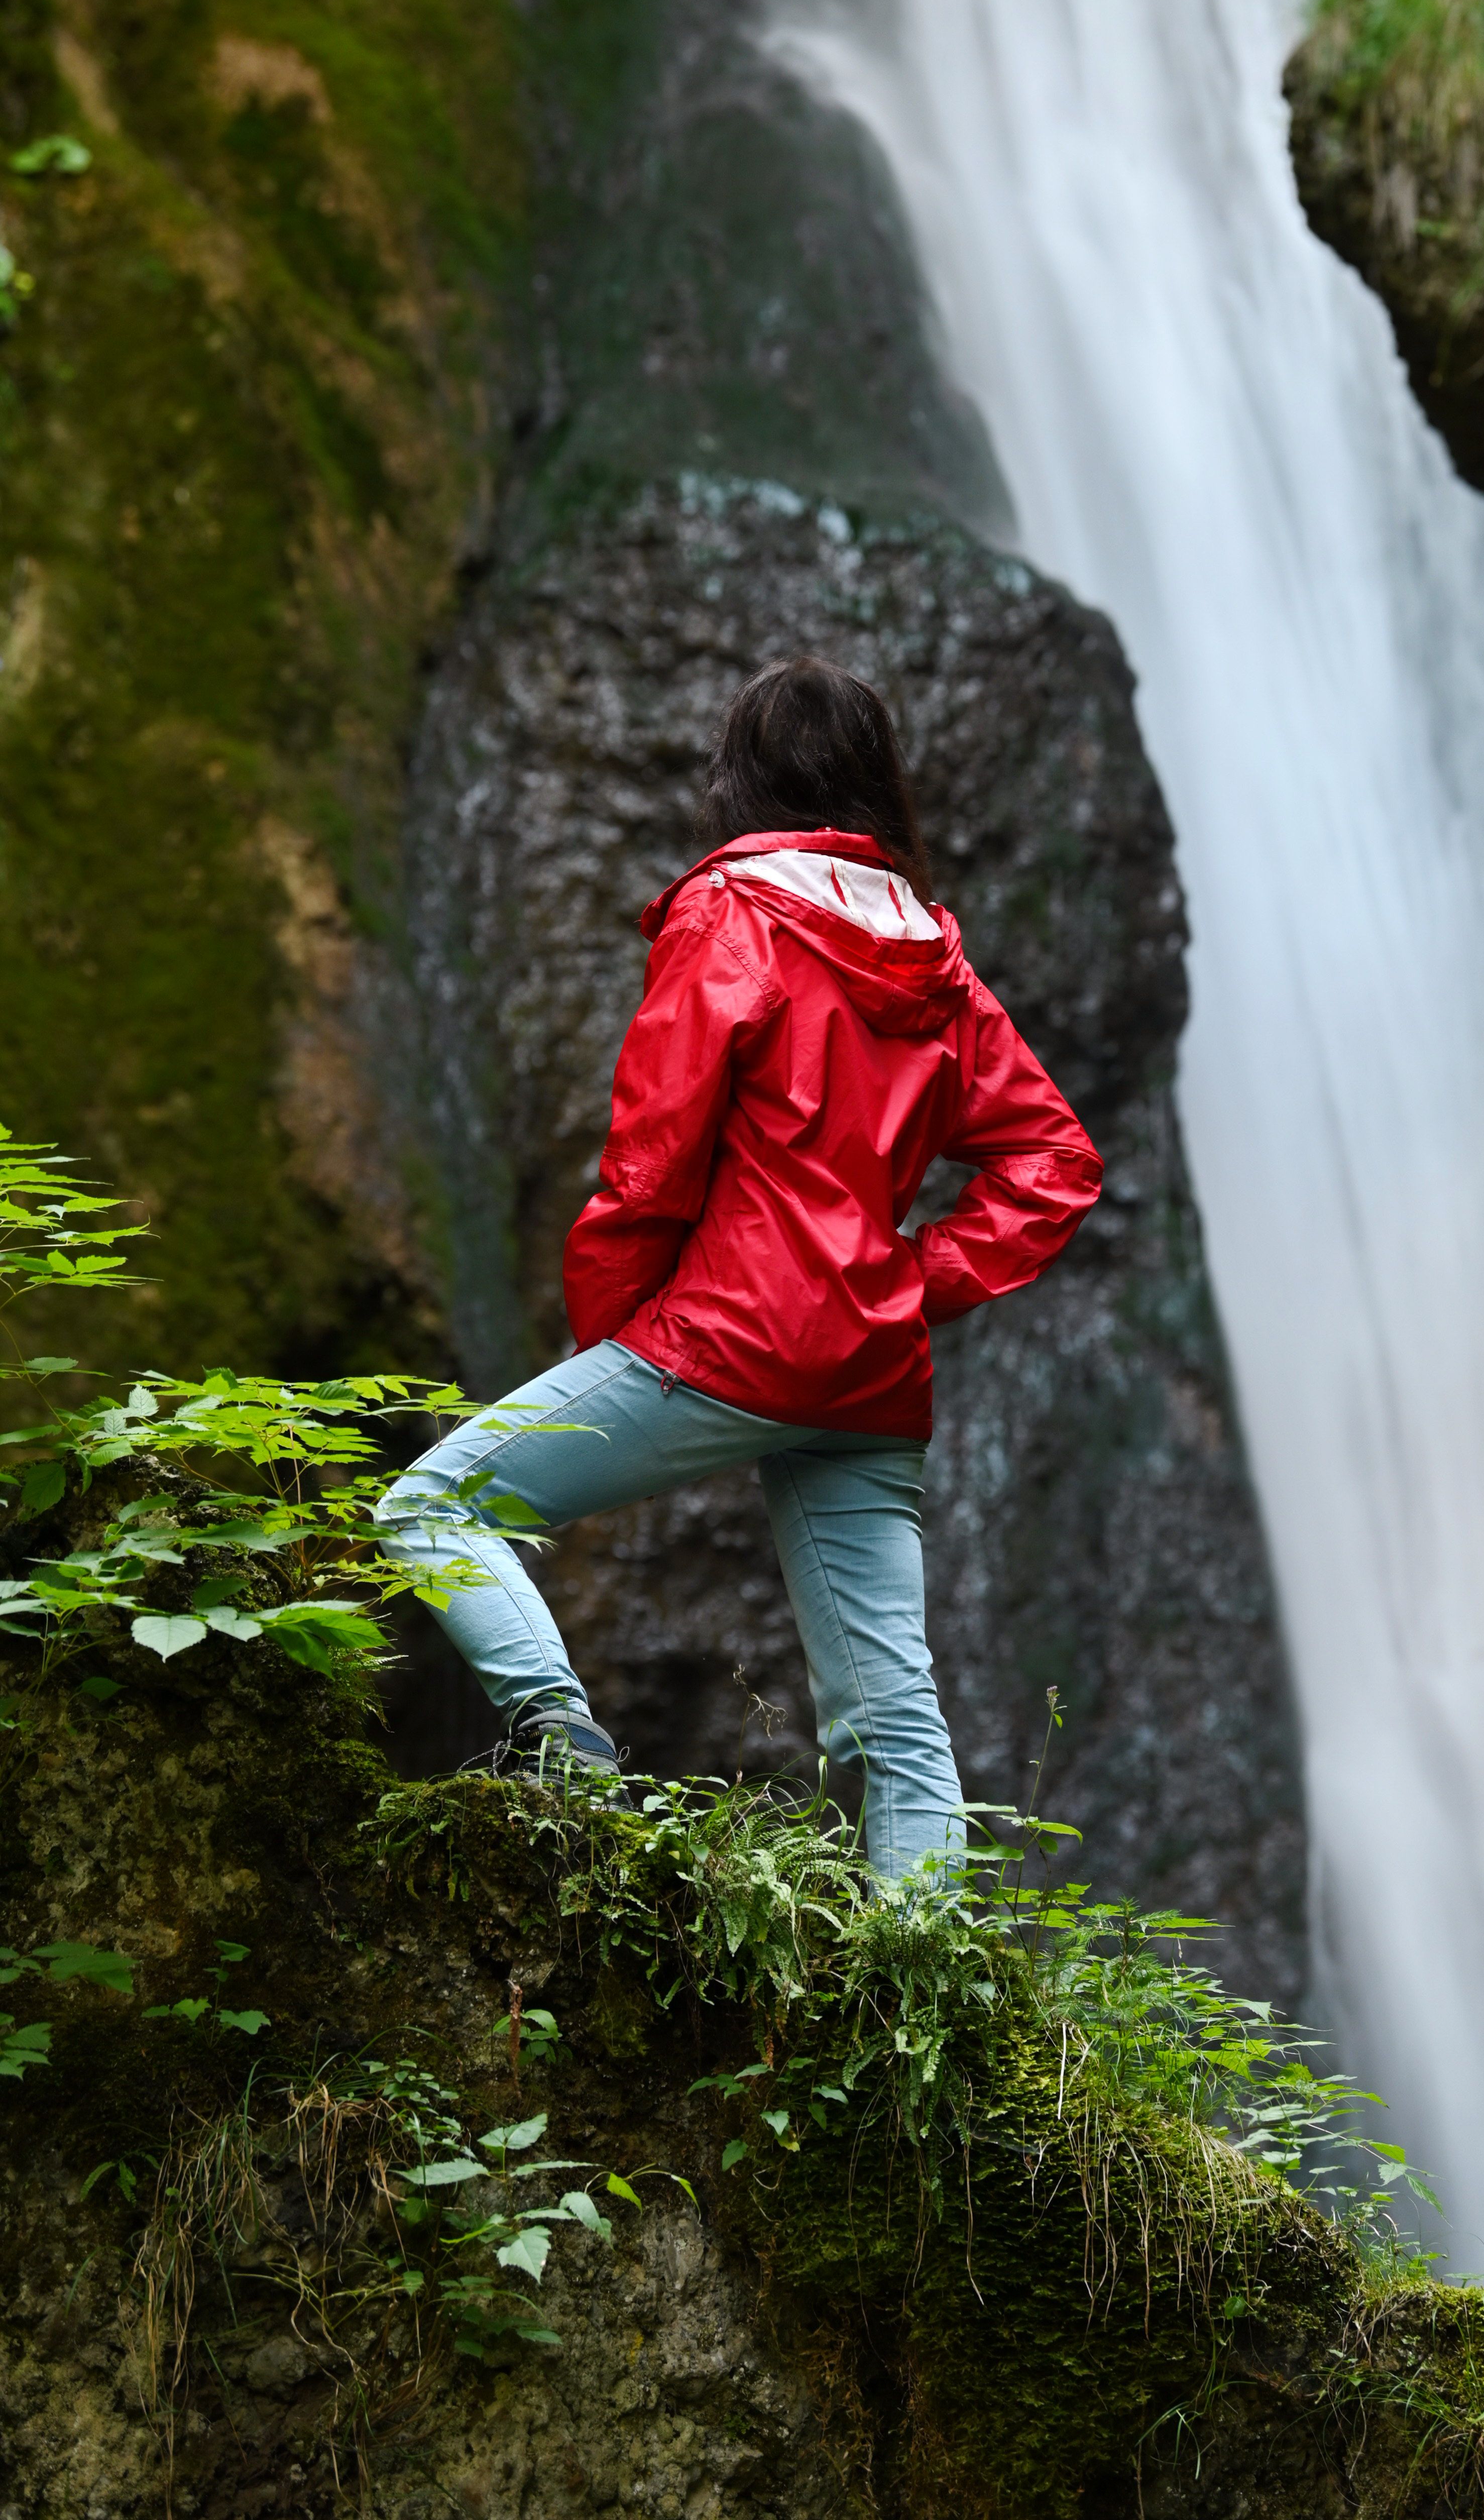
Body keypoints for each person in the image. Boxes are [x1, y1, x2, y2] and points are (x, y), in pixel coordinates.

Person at [379, 654, 1103, 1882]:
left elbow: (652, 1158)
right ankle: (918, 1982)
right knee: (892, 1710)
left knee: (430, 1507)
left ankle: (564, 1750)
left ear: (739, 778)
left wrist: (619, 1342)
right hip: (869, 1370)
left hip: (732, 1336)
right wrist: (910, 1280)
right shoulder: (934, 957)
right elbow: (1054, 1160)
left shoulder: (731, 915)